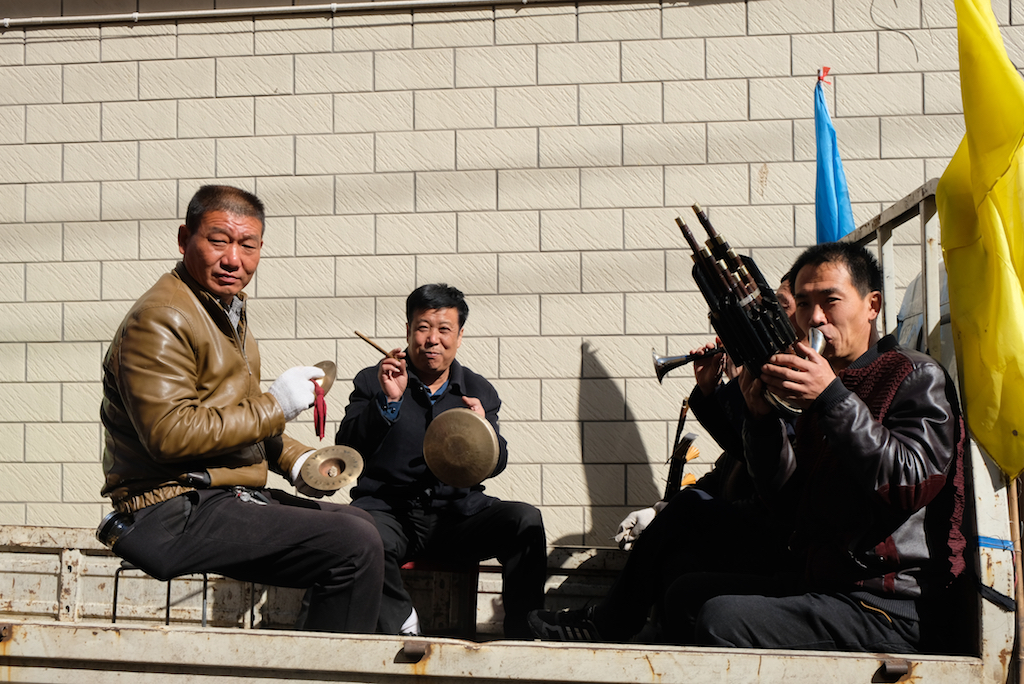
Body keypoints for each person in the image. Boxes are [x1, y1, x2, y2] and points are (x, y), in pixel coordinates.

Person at [99, 185, 384, 633]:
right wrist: (276, 405)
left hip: (215, 493)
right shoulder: (161, 319)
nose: (233, 259)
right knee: (354, 541)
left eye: (247, 246)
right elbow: (171, 434)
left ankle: (316, 657)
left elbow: (234, 421)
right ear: (184, 239)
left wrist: (297, 461)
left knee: (363, 523)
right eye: (218, 241)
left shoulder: (225, 313)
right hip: (168, 507)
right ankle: (329, 666)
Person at [663, 242, 966, 652]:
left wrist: (831, 399)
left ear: (872, 305)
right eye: (804, 304)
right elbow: (788, 504)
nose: (815, 317)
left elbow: (908, 483)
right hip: (824, 581)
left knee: (722, 618)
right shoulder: (827, 381)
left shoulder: (913, 374)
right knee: (686, 595)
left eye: (830, 301)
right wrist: (761, 421)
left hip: (888, 603)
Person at [530, 274, 797, 643]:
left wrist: (738, 387)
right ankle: (640, 635)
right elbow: (731, 464)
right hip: (757, 531)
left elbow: (767, 462)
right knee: (678, 563)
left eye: (782, 305)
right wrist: (711, 390)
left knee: (688, 514)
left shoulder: (792, 385)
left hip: (784, 540)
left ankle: (608, 623)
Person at [336, 283, 546, 639]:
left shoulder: (478, 390)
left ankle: (524, 636)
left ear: (459, 336)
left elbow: (497, 464)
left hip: (458, 517)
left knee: (525, 521)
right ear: (408, 331)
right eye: (423, 328)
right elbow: (347, 446)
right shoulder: (375, 380)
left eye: (444, 329)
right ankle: (403, 624)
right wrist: (387, 403)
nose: (432, 339)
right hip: (390, 513)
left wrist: (483, 433)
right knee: (359, 533)